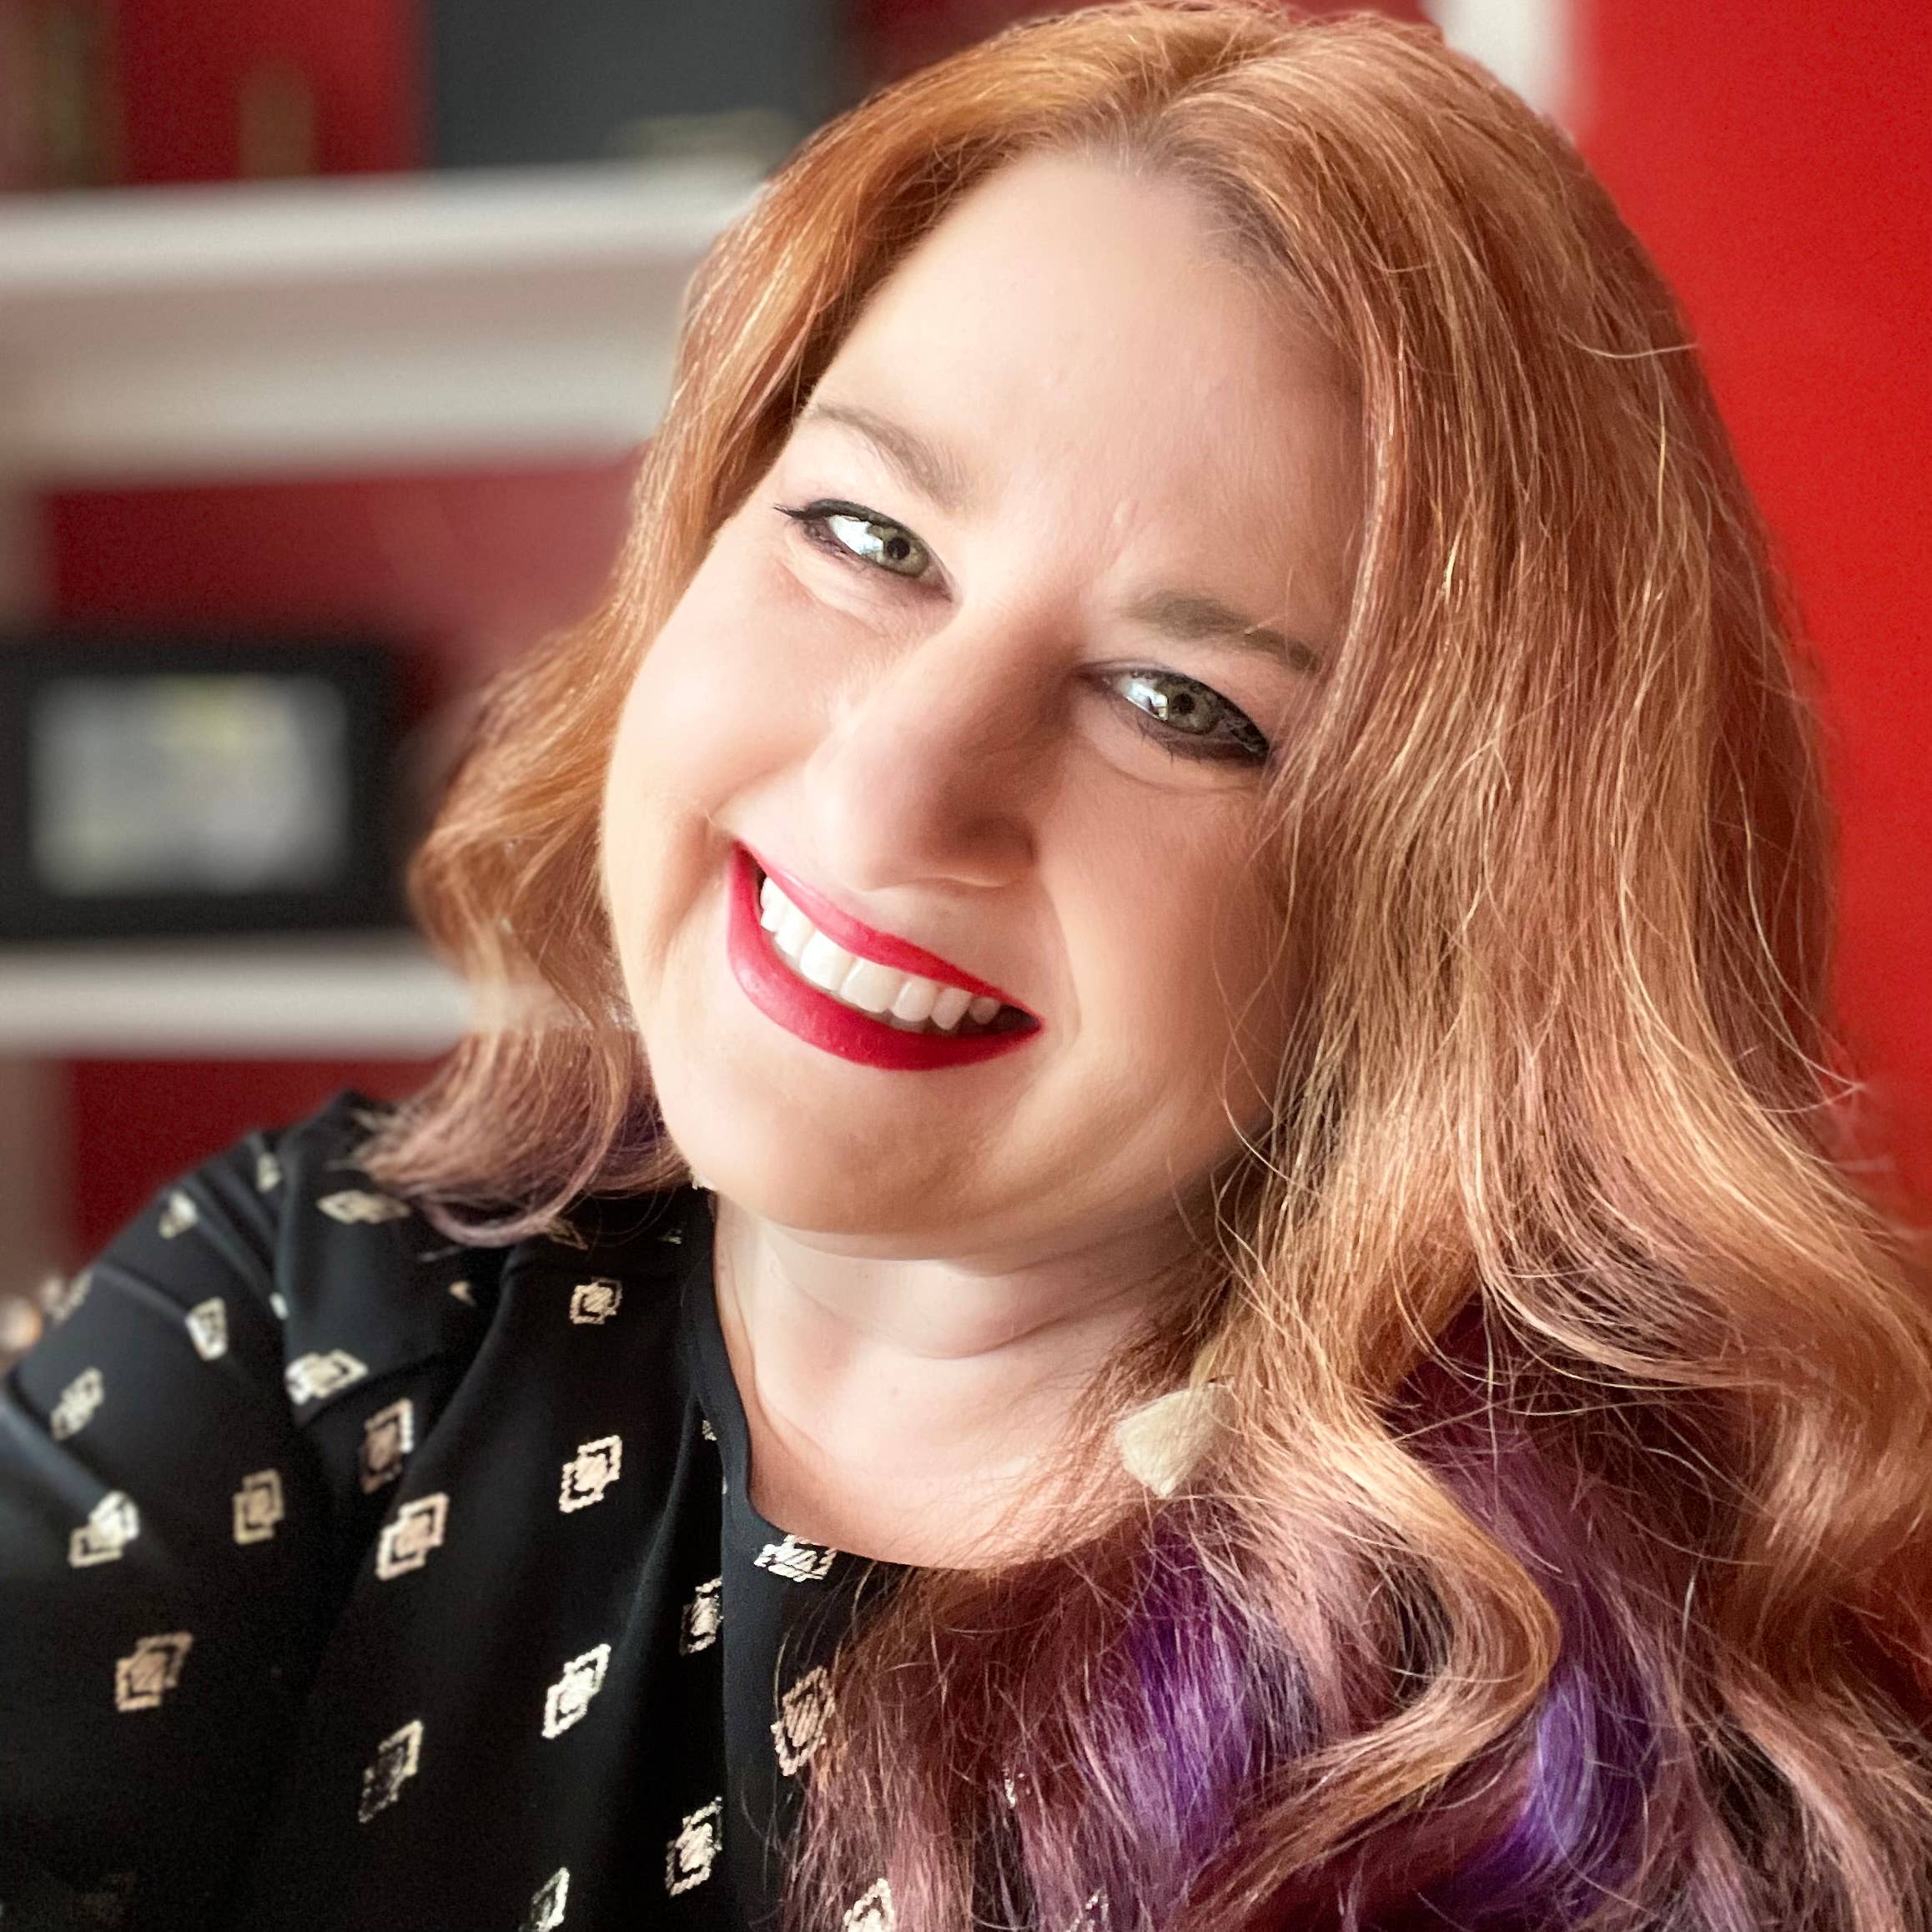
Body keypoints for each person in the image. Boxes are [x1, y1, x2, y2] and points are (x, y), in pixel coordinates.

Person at [5, 4, 1931, 1929]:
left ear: (1457, 910)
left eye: (1181, 703)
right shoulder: (318, 1302)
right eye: (866, 534)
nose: (895, 787)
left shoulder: (1617, 1769)